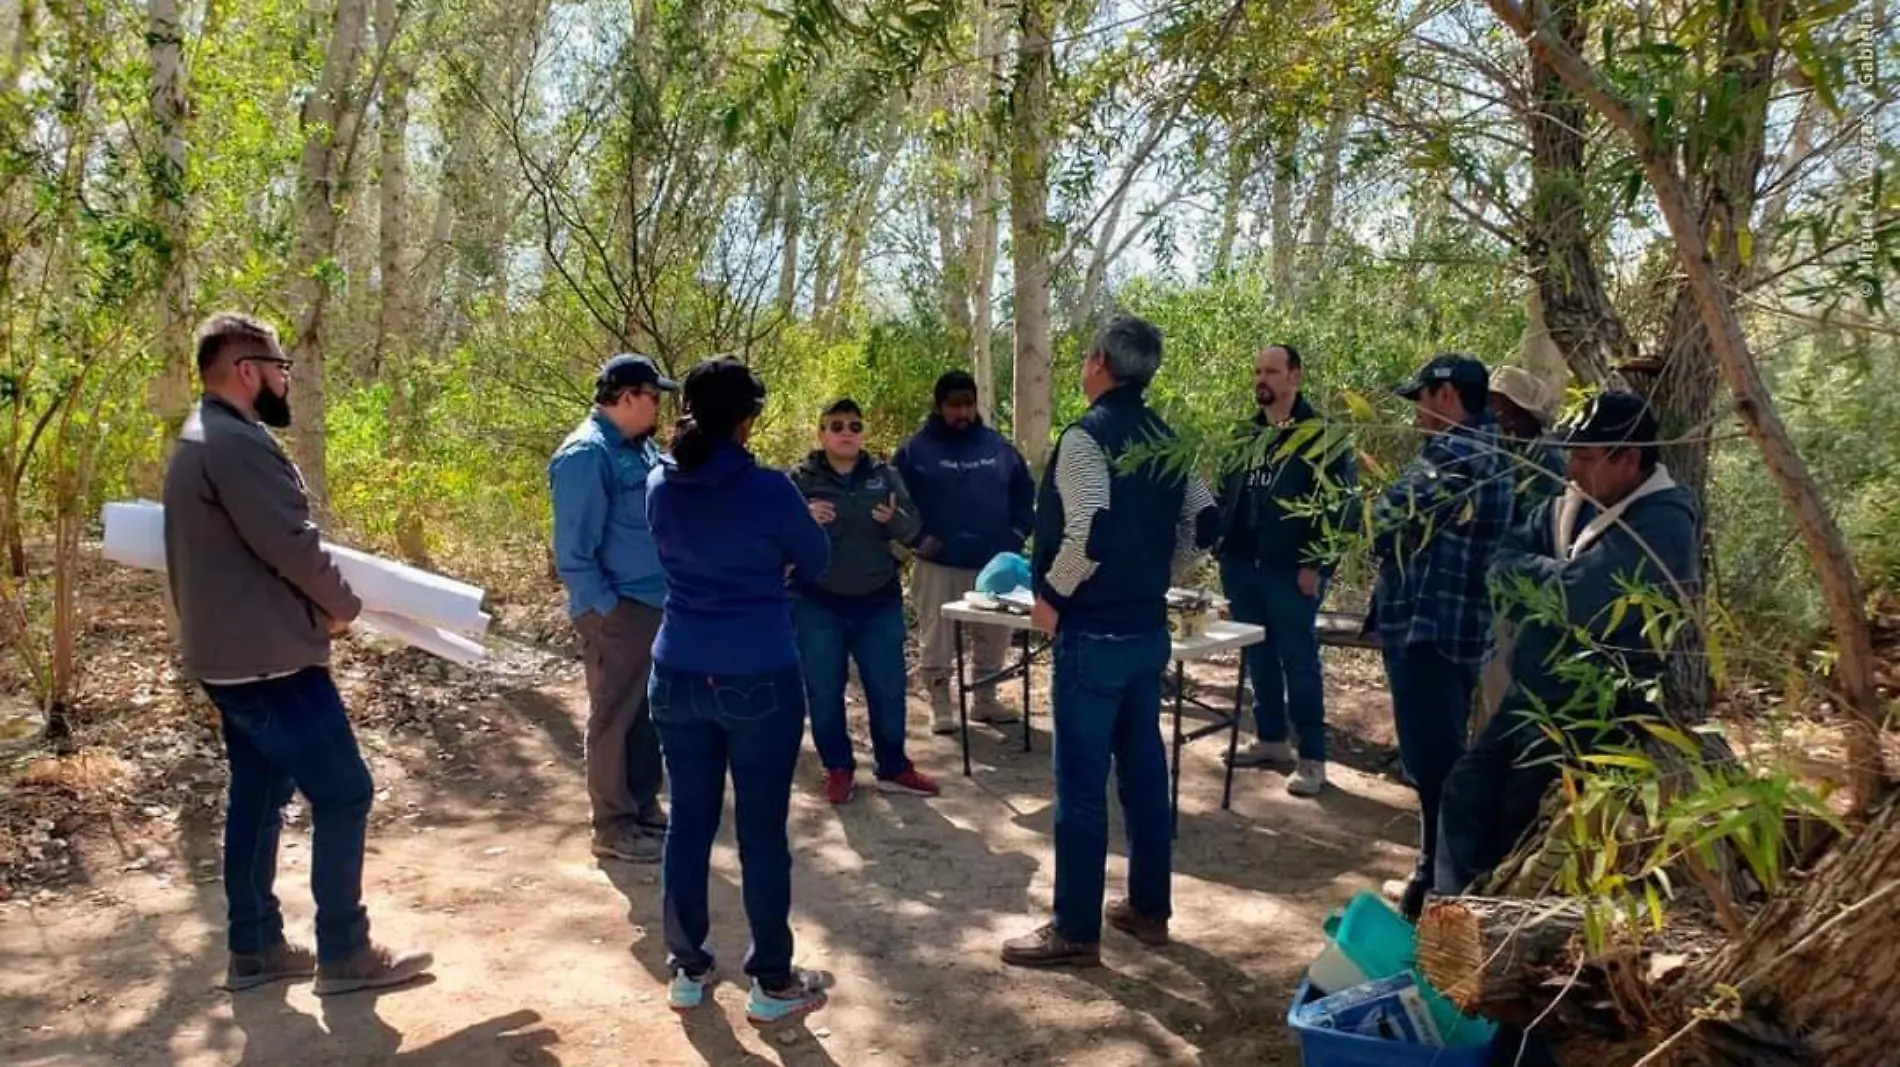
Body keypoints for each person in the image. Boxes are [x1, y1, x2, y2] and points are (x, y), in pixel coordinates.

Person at [163, 312, 431, 996]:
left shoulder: (200, 435)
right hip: (270, 662)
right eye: (281, 367)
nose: (288, 378)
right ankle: (344, 950)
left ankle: (254, 946)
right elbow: (291, 544)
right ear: (247, 370)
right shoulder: (233, 442)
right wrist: (343, 606)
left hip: (229, 656)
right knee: (345, 791)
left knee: (258, 796)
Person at [1001, 315, 1217, 968]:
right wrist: (1159, 571)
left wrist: (1052, 598)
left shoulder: (1086, 438)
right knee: (1145, 773)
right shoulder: (1167, 438)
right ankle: (1149, 909)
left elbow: (1087, 532)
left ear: (1099, 362)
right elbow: (1205, 521)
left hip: (1091, 631)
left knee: (1081, 784)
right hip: (1145, 629)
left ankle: (1075, 928)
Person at [1438, 391, 1701, 894]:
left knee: (1521, 816)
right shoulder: (1572, 504)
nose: (1571, 467)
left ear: (1628, 458)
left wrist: (1549, 583)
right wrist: (1552, 580)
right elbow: (1501, 561)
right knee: (1467, 788)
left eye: (1584, 457)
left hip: (1590, 712)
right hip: (1533, 693)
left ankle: (1485, 922)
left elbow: (1582, 602)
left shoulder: (1663, 523)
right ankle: (1446, 908)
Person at [644, 357, 832, 1023]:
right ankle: (772, 980)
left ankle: (688, 966)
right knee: (760, 830)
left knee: (688, 821)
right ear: (747, 419)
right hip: (758, 672)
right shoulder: (771, 490)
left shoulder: (659, 483)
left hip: (677, 670)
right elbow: (817, 559)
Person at [1371, 353, 1514, 921]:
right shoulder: (1495, 453)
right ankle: (1434, 874)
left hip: (1429, 631)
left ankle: (1437, 888)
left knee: (1433, 765)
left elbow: (1383, 518)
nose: (1418, 416)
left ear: (1448, 396)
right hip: (1460, 630)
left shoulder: (1456, 455)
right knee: (1441, 758)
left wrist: (1379, 522)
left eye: (1423, 402)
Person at [548, 353, 675, 864]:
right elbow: (573, 553)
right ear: (627, 398)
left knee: (645, 714)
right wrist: (607, 610)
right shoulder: (586, 454)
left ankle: (642, 807)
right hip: (619, 609)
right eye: (653, 398)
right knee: (613, 716)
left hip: (653, 603)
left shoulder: (636, 450)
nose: (658, 408)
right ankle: (612, 824)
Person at [1216, 343, 1357, 797]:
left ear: (1295, 376)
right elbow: (1226, 491)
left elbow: (1343, 506)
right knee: (1258, 655)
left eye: (1272, 371)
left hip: (1292, 569)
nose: (1262, 379)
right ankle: (1271, 739)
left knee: (1299, 661)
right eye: (1257, 370)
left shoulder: (1322, 435)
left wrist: (1317, 564)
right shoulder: (1245, 433)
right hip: (1243, 565)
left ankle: (1312, 756)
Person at [789, 398, 940, 804]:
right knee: (823, 689)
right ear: (821, 433)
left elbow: (914, 531)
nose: (846, 433)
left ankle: (894, 767)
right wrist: (802, 516)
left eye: (854, 426)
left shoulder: (885, 475)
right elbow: (776, 537)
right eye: (835, 426)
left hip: (878, 601)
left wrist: (895, 522)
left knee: (889, 687)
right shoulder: (799, 480)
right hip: (817, 601)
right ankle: (838, 767)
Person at [893, 371, 1037, 734]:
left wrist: (1017, 535)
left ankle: (985, 700)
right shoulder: (914, 451)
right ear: (939, 407)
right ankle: (941, 703)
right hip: (938, 563)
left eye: (969, 404)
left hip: (994, 565)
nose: (963, 413)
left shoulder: (998, 448)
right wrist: (918, 538)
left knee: (995, 635)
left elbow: (1025, 495)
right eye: (954, 405)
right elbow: (894, 502)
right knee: (937, 634)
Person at [1480, 365, 1569, 729]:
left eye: (1502, 406)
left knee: (1508, 673)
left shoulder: (1546, 459)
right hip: (1504, 581)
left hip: (1527, 587)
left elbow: (1534, 526)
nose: (1495, 414)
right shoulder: (1512, 451)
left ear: (1521, 410)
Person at [1488, 366, 1567, 503]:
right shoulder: (1517, 446)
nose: (1491, 410)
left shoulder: (1547, 454)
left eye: (1494, 402)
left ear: (1513, 406)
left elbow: (1545, 508)